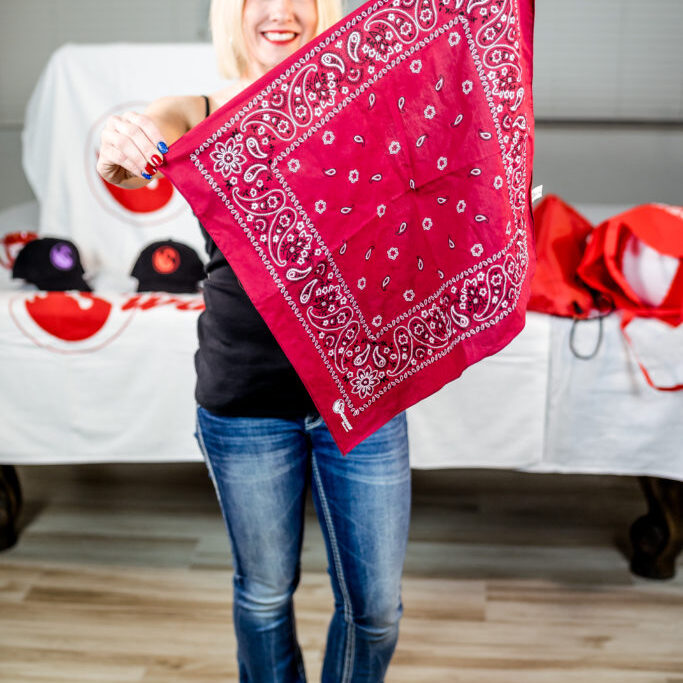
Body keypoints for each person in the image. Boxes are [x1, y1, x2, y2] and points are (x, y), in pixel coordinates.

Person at [96, 0, 411, 681]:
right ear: (231, 14)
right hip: (244, 402)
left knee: (377, 609)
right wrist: (123, 146)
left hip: (362, 393)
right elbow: (147, 141)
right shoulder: (203, 108)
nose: (277, 10)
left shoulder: (371, 102)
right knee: (265, 593)